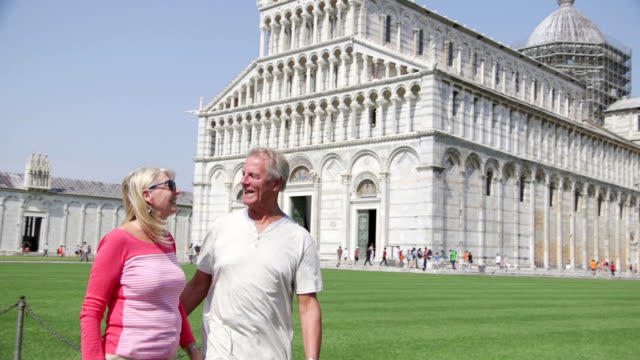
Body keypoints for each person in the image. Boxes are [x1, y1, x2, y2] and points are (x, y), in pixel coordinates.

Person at [180, 148, 323, 360]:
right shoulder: (222, 227)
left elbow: (308, 305)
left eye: (254, 176)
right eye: (243, 174)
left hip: (271, 352)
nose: (244, 181)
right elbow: (199, 284)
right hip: (220, 351)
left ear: (276, 183)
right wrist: (165, 323)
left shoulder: (299, 239)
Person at [80, 167, 201, 360]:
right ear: (147, 195)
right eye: (170, 185)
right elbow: (92, 309)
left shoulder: (167, 239)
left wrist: (191, 348)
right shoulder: (118, 240)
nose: (177, 191)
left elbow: (172, 303)